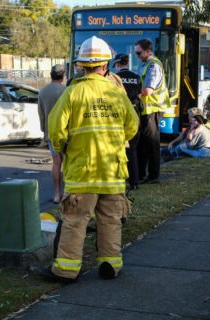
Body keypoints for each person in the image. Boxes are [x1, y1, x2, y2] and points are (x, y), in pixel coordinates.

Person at [43, 36, 139, 282]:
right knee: (110, 221)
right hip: (112, 171)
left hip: (82, 171)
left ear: (81, 65)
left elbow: (55, 129)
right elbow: (133, 125)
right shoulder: (117, 93)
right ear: (105, 65)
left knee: (75, 221)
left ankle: (66, 270)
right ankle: (110, 264)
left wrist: (63, 146)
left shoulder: (73, 92)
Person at [134, 38, 171, 184]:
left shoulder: (153, 66)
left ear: (148, 50)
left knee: (152, 143)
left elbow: (147, 90)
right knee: (143, 143)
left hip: (153, 109)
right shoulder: (145, 64)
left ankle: (153, 175)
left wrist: (131, 92)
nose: (137, 56)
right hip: (146, 109)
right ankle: (142, 173)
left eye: (139, 53)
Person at [38, 64, 66, 203]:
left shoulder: (42, 92)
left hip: (51, 133)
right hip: (67, 132)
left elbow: (41, 115)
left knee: (56, 163)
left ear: (51, 75)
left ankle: (57, 194)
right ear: (62, 76)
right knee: (67, 163)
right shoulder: (67, 90)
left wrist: (45, 132)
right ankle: (68, 193)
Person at [113, 53, 142, 189]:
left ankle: (121, 180)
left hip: (121, 115)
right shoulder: (136, 77)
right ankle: (135, 182)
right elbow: (140, 95)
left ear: (118, 64)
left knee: (119, 149)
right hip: (135, 114)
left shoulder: (115, 79)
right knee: (133, 149)